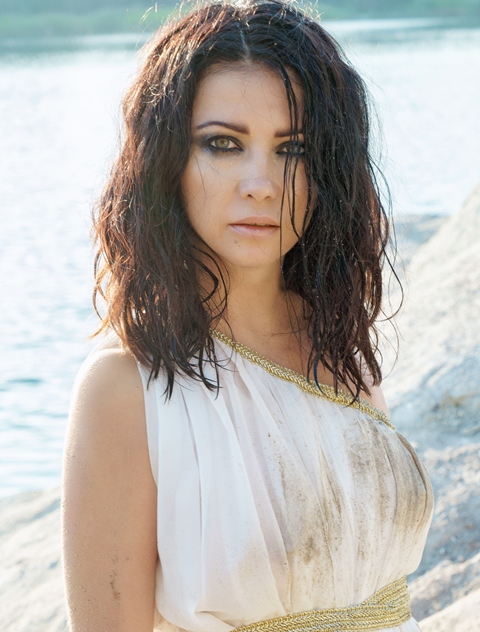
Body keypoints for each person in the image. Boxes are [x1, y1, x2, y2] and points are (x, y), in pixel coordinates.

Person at [62, 1, 434, 630]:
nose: (262, 183)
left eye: (294, 149)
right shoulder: (127, 388)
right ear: (167, 162)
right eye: (223, 144)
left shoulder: (339, 343)